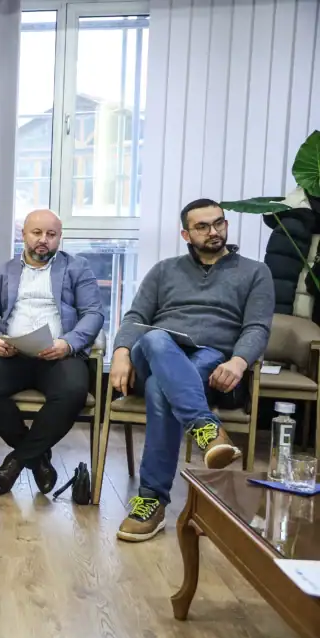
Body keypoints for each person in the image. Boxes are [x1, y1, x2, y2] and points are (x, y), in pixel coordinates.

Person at [110, 198, 274, 542]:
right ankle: (206, 428)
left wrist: (238, 361)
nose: (214, 231)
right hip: (153, 352)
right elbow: (135, 317)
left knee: (159, 389)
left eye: (219, 223)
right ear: (186, 234)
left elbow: (257, 327)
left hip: (210, 358)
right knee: (155, 338)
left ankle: (151, 501)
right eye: (202, 226)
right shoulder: (164, 270)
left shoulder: (255, 272)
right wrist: (122, 352)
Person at [0, 209, 104, 495]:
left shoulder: (77, 268)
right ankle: (38, 459)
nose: (43, 239)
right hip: (13, 354)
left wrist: (68, 343)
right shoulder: (2, 271)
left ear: (59, 238)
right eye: (37, 233)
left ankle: (17, 461)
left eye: (51, 234)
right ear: (23, 235)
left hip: (58, 354)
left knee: (73, 392)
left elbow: (93, 314)